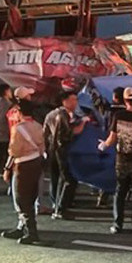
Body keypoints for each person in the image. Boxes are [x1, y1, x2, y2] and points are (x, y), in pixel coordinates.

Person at [98, 87, 132, 234]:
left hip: (121, 160)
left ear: (125, 100)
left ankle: (117, 224)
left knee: (120, 192)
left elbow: (112, 138)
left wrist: (104, 145)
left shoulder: (118, 116)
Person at [1, 99, 46, 245]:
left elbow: (14, 151)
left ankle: (31, 232)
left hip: (22, 164)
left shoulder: (18, 128)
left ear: (19, 112)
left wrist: (7, 168)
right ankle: (23, 227)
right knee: (31, 196)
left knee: (21, 198)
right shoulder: (38, 126)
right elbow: (42, 146)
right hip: (36, 162)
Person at [43, 91, 86, 219]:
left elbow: (45, 132)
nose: (75, 103)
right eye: (73, 100)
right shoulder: (63, 115)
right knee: (68, 179)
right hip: (61, 150)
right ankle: (61, 208)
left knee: (55, 179)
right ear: (64, 101)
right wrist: (83, 122)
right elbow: (71, 132)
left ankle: (55, 204)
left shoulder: (51, 114)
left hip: (51, 149)